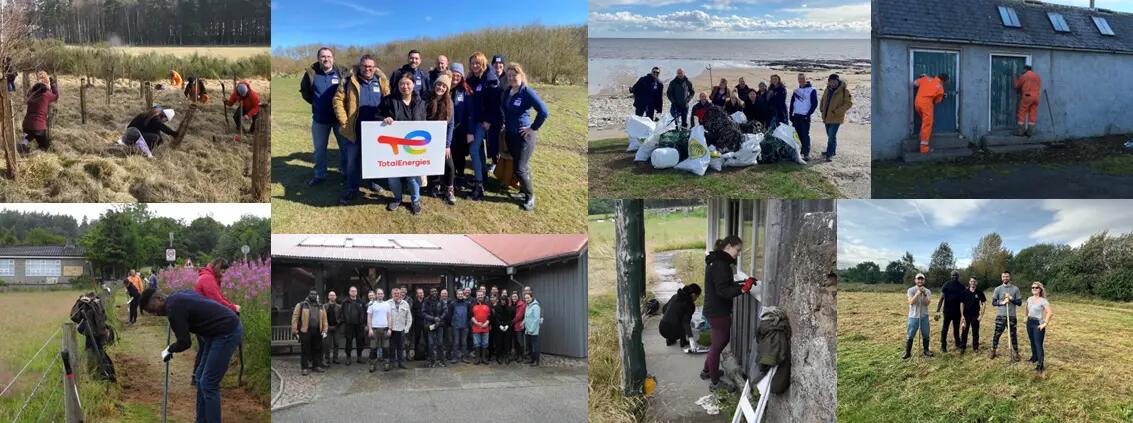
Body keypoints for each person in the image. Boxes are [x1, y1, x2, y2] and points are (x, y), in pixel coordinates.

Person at [139, 287, 241, 423]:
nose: (155, 314)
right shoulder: (176, 297)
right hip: (214, 333)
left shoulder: (173, 308)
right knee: (200, 377)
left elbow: (184, 342)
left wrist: (169, 349)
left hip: (227, 331)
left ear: (159, 299)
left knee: (208, 383)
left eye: (153, 310)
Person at [701, 236, 756, 390]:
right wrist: (743, 289)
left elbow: (724, 284)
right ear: (729, 246)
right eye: (737, 250)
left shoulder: (717, 261)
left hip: (714, 310)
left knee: (717, 344)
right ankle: (715, 382)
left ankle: (707, 371)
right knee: (717, 346)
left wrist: (743, 283)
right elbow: (723, 291)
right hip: (718, 312)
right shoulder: (721, 265)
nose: (738, 254)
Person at [333, 55, 389, 205]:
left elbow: (388, 100)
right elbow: (337, 100)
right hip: (355, 129)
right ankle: (352, 188)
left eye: (371, 66)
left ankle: (374, 182)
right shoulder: (349, 80)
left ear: (375, 67)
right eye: (365, 66)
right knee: (353, 161)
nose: (368, 69)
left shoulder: (382, 81)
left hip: (377, 130)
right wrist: (344, 121)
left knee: (374, 158)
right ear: (360, 66)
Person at [501, 62, 549, 212]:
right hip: (510, 135)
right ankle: (523, 190)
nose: (511, 78)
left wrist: (532, 128)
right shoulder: (508, 90)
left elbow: (543, 111)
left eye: (514, 75)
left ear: (521, 76)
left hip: (524, 137)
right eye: (508, 75)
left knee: (520, 168)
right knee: (519, 166)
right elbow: (506, 111)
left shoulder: (527, 92)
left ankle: (530, 196)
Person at [300, 47, 349, 186]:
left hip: (340, 120)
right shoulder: (311, 74)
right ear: (318, 58)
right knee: (319, 150)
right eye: (323, 56)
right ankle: (320, 175)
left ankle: (346, 173)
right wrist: (317, 104)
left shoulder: (342, 73)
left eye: (328, 56)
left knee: (345, 147)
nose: (326, 59)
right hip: (320, 120)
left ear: (333, 58)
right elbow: (305, 93)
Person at [379, 74, 428, 214]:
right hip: (394, 146)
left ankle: (415, 200)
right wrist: (385, 118)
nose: (405, 86)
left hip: (412, 147)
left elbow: (424, 123)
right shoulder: (389, 100)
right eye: (402, 84)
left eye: (408, 83)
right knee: (393, 176)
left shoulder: (420, 102)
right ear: (398, 85)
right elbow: (376, 115)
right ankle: (397, 198)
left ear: (413, 84)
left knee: (412, 176)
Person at [190, 259, 238, 384]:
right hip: (205, 321)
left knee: (204, 349)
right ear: (216, 267)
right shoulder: (207, 279)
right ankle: (200, 378)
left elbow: (220, 297)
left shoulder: (208, 277)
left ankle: (199, 377)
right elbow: (216, 300)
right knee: (205, 350)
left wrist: (231, 305)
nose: (223, 274)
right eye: (222, 271)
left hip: (205, 320)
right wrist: (233, 308)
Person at [463, 52, 498, 200]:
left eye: (477, 63)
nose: (475, 66)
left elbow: (495, 102)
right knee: (479, 151)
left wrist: (489, 120)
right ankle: (482, 176)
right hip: (473, 120)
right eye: (472, 63)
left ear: (483, 63)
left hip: (484, 122)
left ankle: (479, 185)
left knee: (474, 149)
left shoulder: (489, 79)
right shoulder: (471, 79)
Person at [426, 73, 457, 205]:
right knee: (431, 163)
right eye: (439, 84)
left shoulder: (449, 103)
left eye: (444, 86)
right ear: (435, 85)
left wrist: (447, 145)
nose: (441, 88)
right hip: (427, 138)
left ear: (447, 89)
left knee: (449, 165)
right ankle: (434, 185)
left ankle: (449, 189)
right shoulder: (426, 99)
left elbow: (451, 125)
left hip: (442, 139)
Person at [448, 63, 474, 193]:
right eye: (453, 74)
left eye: (458, 75)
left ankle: (460, 175)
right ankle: (448, 178)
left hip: (461, 129)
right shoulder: (445, 87)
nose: (455, 77)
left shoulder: (466, 90)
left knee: (460, 154)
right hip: (447, 129)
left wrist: (470, 131)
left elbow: (470, 113)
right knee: (449, 154)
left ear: (462, 76)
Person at [291, 290, 327, 375]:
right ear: (308, 295)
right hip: (305, 330)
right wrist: (294, 330)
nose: (313, 296)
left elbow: (325, 320)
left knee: (317, 349)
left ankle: (316, 366)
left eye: (315, 294)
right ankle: (304, 368)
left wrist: (325, 330)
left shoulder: (321, 306)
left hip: (318, 331)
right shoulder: (301, 305)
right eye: (312, 294)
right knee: (305, 350)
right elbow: (295, 318)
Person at [21, 71, 58, 153]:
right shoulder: (46, 94)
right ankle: (37, 155)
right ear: (46, 85)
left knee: (26, 139)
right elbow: (56, 96)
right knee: (44, 146)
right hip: (38, 127)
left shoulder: (32, 94)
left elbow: (28, 94)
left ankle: (22, 148)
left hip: (26, 125)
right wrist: (53, 85)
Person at [819, 74, 852, 162]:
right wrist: (821, 108)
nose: (832, 83)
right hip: (826, 116)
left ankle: (829, 154)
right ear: (829, 82)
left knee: (831, 136)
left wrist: (837, 111)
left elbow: (848, 104)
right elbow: (823, 99)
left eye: (834, 81)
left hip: (836, 117)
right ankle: (832, 151)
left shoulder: (844, 91)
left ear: (838, 81)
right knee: (830, 136)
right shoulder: (827, 89)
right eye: (831, 81)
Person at [990, 270, 1022, 361]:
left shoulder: (1015, 289)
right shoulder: (998, 289)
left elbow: (1019, 303)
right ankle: (993, 350)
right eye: (1003, 276)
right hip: (1000, 316)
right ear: (1001, 278)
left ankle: (1016, 353)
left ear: (1010, 277)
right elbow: (993, 302)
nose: (1005, 278)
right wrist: (1002, 302)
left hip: (1011, 316)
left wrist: (1011, 299)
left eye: (1007, 276)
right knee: (997, 334)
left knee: (1013, 335)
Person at [913, 73, 948, 154]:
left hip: (917, 102)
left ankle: (922, 137)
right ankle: (924, 148)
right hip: (926, 105)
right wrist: (943, 97)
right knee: (927, 124)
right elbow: (937, 101)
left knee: (924, 123)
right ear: (943, 81)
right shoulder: (940, 88)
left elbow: (915, 83)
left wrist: (922, 78)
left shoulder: (926, 79)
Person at [660, 283, 701, 348]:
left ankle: (670, 339)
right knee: (683, 321)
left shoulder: (675, 296)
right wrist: (691, 339)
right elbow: (686, 323)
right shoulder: (690, 305)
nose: (696, 299)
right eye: (697, 296)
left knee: (676, 317)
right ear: (693, 295)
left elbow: (664, 309)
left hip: (662, 328)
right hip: (675, 332)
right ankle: (683, 341)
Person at [486, 55, 508, 174]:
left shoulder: (508, 78)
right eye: (495, 64)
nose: (498, 66)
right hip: (491, 116)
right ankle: (494, 162)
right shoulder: (489, 77)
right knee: (492, 142)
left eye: (500, 64)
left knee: (503, 142)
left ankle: (504, 165)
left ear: (503, 65)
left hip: (504, 116)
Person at [789, 73, 818, 159]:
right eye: (799, 78)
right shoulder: (796, 91)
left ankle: (806, 153)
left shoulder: (812, 90)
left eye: (802, 78)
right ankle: (798, 152)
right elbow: (792, 104)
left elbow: (814, 104)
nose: (801, 80)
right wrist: (791, 114)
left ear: (806, 79)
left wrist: (808, 114)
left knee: (805, 134)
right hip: (796, 115)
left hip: (804, 116)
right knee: (796, 135)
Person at [904, 273, 933, 359]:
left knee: (926, 334)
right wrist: (917, 293)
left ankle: (926, 351)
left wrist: (923, 293)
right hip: (913, 316)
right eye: (918, 279)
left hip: (924, 316)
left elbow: (927, 303)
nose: (920, 281)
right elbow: (910, 302)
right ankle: (907, 352)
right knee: (910, 334)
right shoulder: (911, 290)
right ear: (915, 280)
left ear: (924, 280)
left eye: (922, 279)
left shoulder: (927, 291)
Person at [935, 271, 965, 353]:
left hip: (957, 312)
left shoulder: (962, 287)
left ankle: (958, 343)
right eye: (953, 275)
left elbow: (964, 301)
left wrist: (964, 313)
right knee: (945, 329)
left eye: (956, 275)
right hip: (947, 311)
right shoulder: (946, 285)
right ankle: (943, 346)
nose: (954, 277)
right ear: (950, 276)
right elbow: (941, 298)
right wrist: (937, 311)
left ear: (958, 276)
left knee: (956, 329)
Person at [1025, 282, 1052, 372]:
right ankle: (1034, 357)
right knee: (1032, 341)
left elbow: (1049, 312)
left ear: (1040, 289)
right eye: (1032, 287)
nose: (1034, 289)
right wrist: (1026, 316)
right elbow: (1026, 308)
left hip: (1038, 323)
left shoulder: (1043, 300)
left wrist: (1045, 323)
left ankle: (1040, 364)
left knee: (1038, 344)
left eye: (1036, 287)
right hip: (1029, 322)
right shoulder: (1029, 299)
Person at [421, 288, 449, 367]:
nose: (434, 292)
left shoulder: (441, 301)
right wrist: (433, 318)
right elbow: (423, 313)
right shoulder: (426, 301)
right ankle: (432, 361)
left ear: (437, 292)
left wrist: (439, 319)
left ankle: (441, 361)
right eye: (432, 291)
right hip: (430, 325)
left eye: (435, 291)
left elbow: (445, 311)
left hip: (439, 324)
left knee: (440, 343)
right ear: (430, 292)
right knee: (430, 344)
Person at [340, 286, 367, 365]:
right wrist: (345, 321)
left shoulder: (361, 302)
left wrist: (363, 323)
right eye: (352, 291)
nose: (353, 292)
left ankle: (359, 357)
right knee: (348, 341)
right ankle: (348, 358)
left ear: (357, 292)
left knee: (360, 341)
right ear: (349, 292)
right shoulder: (345, 302)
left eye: (355, 291)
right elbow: (342, 313)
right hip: (349, 325)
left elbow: (365, 313)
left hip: (359, 325)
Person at [959, 277, 986, 353]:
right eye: (971, 281)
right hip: (966, 315)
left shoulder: (979, 292)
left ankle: (975, 347)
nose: (973, 283)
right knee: (964, 332)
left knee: (975, 332)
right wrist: (962, 315)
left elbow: (984, 304)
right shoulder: (964, 292)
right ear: (969, 282)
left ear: (976, 283)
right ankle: (963, 347)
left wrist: (981, 315)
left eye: (974, 281)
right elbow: (962, 304)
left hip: (975, 316)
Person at [366, 289, 391, 372]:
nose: (380, 295)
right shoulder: (372, 305)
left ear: (383, 295)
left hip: (385, 329)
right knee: (373, 348)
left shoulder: (387, 304)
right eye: (378, 294)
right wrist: (370, 329)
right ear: (376, 295)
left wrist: (390, 329)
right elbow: (369, 317)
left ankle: (386, 363)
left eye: (381, 294)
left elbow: (389, 317)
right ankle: (372, 365)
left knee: (386, 347)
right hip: (374, 329)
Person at [1013, 65, 1042, 137]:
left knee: (1022, 112)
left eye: (1023, 69)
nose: (1022, 71)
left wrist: (1015, 79)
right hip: (1036, 97)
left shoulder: (1024, 76)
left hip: (1027, 96)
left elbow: (1017, 86)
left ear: (1025, 69)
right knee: (1033, 113)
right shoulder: (1037, 76)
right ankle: (1030, 132)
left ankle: (1020, 131)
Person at [388, 288, 413, 370]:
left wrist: (406, 329)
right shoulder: (387, 303)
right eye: (395, 293)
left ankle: (400, 363)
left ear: (400, 294)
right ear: (392, 294)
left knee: (401, 347)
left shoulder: (405, 303)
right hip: (391, 329)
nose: (396, 295)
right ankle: (392, 362)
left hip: (401, 330)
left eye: (398, 293)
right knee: (391, 347)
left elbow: (409, 318)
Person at [449, 289, 471, 364]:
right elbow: (450, 315)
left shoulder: (467, 303)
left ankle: (464, 357)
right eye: (459, 294)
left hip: (465, 326)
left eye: (461, 294)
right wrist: (452, 324)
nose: (460, 295)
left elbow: (469, 314)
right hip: (456, 326)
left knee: (464, 342)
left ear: (463, 295)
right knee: (456, 342)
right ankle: (455, 357)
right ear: (456, 295)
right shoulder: (452, 304)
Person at [523, 292, 543, 366]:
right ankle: (531, 359)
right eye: (525, 298)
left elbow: (536, 319)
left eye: (528, 298)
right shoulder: (528, 306)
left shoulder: (536, 306)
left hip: (533, 331)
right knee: (530, 346)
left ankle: (536, 361)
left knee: (535, 346)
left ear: (531, 297)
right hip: (528, 330)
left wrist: (531, 329)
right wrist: (523, 324)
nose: (526, 299)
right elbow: (526, 317)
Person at [471, 291, 491, 365]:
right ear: (476, 296)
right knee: (477, 343)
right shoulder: (472, 305)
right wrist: (476, 323)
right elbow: (471, 316)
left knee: (485, 343)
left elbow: (490, 316)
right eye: (478, 295)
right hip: (476, 327)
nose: (480, 296)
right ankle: (477, 358)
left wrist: (486, 323)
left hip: (485, 327)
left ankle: (484, 358)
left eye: (481, 295)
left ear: (484, 295)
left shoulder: (488, 304)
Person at [323, 291, 341, 365]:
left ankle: (335, 358)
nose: (332, 296)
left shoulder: (339, 307)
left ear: (335, 297)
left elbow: (341, 317)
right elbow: (322, 317)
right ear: (328, 297)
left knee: (336, 343)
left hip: (336, 327)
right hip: (327, 328)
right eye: (331, 295)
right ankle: (327, 358)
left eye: (334, 295)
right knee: (327, 344)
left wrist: (337, 324)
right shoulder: (324, 306)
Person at [496, 294, 514, 364]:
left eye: (504, 300)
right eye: (502, 300)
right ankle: (499, 356)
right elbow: (496, 318)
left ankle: (507, 356)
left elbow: (510, 318)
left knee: (507, 343)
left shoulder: (509, 308)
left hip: (507, 328)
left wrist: (507, 325)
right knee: (499, 343)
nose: (503, 302)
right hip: (499, 328)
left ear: (506, 301)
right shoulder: (497, 307)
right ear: (500, 301)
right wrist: (500, 325)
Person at [511, 292, 526, 361]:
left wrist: (511, 322)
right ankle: (516, 355)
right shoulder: (511, 304)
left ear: (518, 297)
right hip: (513, 326)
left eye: (515, 296)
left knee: (520, 341)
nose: (514, 298)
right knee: (515, 341)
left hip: (518, 325)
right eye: (513, 296)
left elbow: (519, 317)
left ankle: (521, 356)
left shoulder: (521, 304)